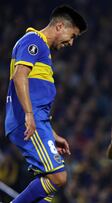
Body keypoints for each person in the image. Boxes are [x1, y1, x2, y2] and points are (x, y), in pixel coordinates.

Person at [4, 5, 87, 203]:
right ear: (60, 26)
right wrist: (29, 115)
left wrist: (52, 134)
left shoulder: (43, 51)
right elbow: (19, 75)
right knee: (58, 177)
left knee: (48, 187)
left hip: (38, 122)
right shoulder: (34, 41)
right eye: (73, 35)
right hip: (26, 121)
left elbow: (37, 99)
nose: (72, 42)